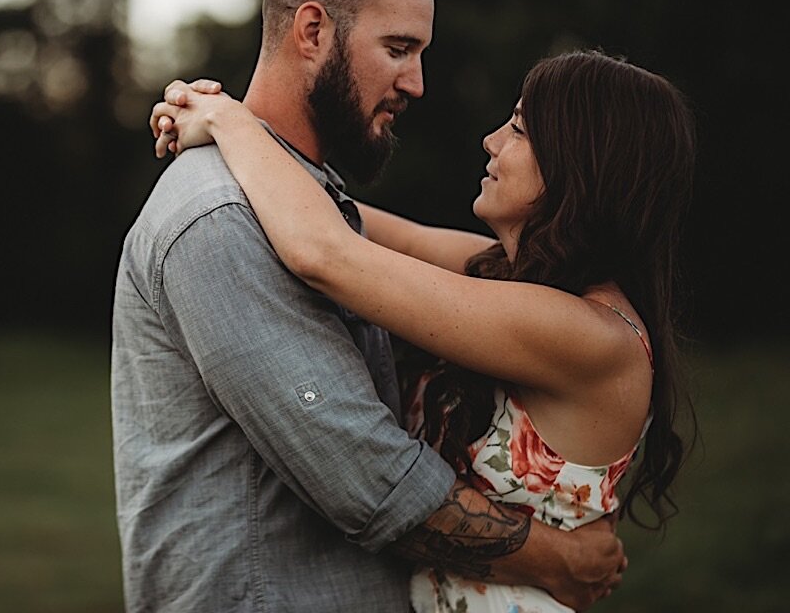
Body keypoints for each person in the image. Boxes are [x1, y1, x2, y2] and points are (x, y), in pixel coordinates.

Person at [111, 0, 625, 613]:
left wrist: (228, 121)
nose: (416, 83)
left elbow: (347, 238)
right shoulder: (224, 217)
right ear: (314, 31)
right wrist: (555, 559)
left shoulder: (303, 201)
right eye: (398, 47)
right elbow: (368, 477)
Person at [148, 48, 697, 612]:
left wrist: (226, 119)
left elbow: (326, 253)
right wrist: (234, 140)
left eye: (519, 129)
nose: (491, 140)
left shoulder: (588, 334)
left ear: (581, 164)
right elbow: (344, 219)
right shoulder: (509, 279)